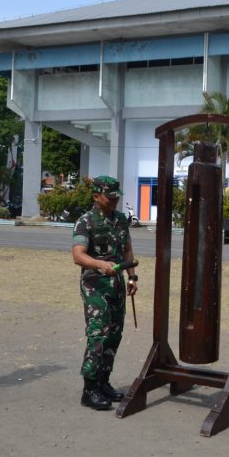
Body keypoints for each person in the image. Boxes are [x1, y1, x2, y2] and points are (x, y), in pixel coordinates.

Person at [72, 176, 138, 411]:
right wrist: (99, 264)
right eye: (110, 197)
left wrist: (132, 276)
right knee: (98, 334)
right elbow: (78, 255)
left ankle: (103, 382)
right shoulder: (85, 222)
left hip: (117, 285)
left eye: (116, 196)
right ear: (96, 196)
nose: (114, 200)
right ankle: (89, 389)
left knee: (114, 334)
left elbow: (127, 250)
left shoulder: (120, 220)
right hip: (95, 285)